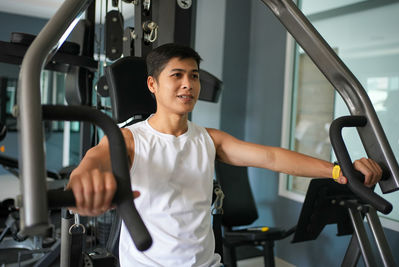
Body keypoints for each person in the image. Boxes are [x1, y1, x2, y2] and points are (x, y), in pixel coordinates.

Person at [67, 43, 382, 266]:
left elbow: (271, 158)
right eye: (176, 75)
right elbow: (92, 162)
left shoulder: (209, 139)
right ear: (152, 84)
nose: (188, 84)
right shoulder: (129, 139)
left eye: (193, 75)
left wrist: (339, 171)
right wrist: (82, 185)